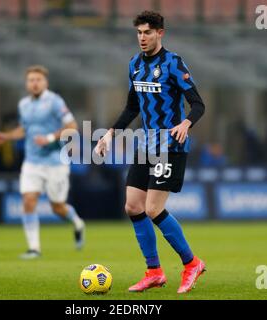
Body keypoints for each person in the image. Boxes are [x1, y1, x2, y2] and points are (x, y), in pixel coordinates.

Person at [95, 11, 206, 294]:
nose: (142, 38)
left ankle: (191, 263)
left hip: (171, 145)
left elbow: (198, 104)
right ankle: (154, 271)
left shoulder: (173, 63)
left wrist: (186, 122)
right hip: (146, 145)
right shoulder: (134, 64)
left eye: (147, 32)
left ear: (160, 33)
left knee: (153, 208)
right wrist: (109, 133)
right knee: (133, 206)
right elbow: (132, 107)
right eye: (139, 33)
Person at [0, 65, 85, 259]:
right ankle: (34, 248)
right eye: (31, 80)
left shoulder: (55, 101)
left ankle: (77, 222)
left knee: (57, 208)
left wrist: (50, 138)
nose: (34, 83)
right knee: (28, 199)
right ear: (27, 84)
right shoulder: (24, 104)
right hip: (32, 162)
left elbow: (72, 126)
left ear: (45, 82)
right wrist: (6, 136)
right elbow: (24, 130)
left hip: (55, 162)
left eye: (38, 80)